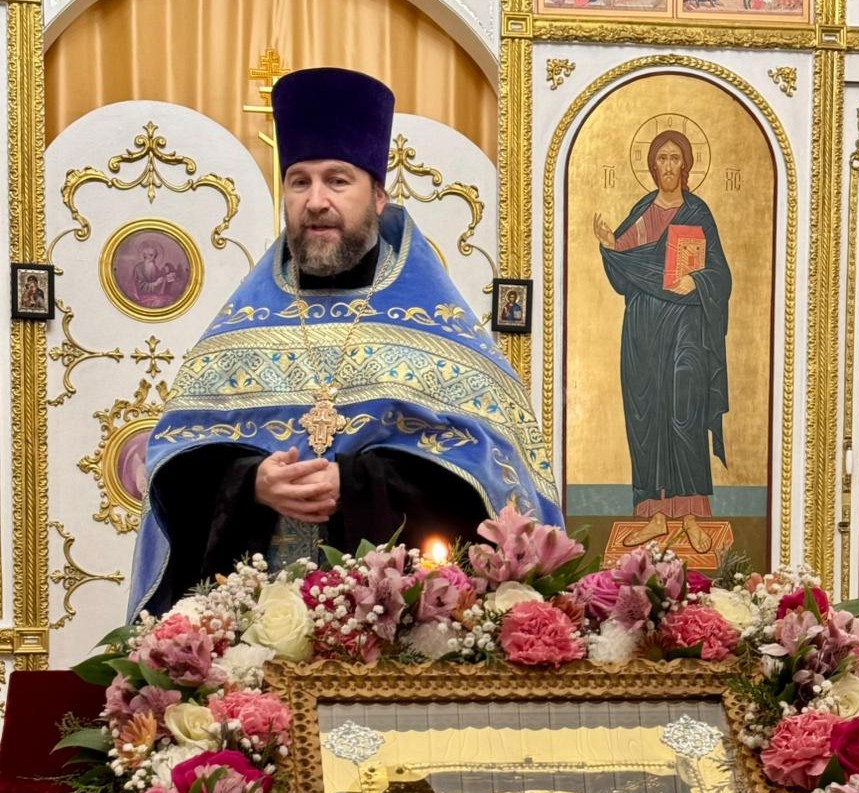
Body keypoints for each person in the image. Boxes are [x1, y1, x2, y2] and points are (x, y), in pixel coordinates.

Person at [129, 67, 562, 618]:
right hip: (252, 636)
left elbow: (495, 484)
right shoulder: (237, 332)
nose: (316, 201)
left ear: (378, 196)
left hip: (402, 641)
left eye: (337, 181)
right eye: (299, 182)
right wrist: (250, 483)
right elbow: (174, 468)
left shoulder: (439, 328)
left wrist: (357, 486)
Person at [593, 129, 731, 528]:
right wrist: (610, 246)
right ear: (653, 166)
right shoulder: (642, 210)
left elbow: (721, 275)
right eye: (662, 159)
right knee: (647, 416)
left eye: (675, 158)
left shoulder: (698, 213)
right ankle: (652, 513)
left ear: (685, 164)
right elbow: (624, 275)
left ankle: (690, 516)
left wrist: (698, 280)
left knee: (685, 412)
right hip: (643, 330)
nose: (668, 166)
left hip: (687, 328)